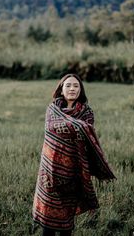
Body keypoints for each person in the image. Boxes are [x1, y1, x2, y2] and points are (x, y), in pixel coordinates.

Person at [32, 74, 116, 236]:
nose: (72, 89)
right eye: (68, 85)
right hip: (49, 171)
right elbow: (53, 130)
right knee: (48, 220)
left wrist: (72, 126)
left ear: (80, 90)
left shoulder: (86, 112)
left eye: (76, 86)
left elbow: (86, 134)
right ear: (61, 89)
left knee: (67, 219)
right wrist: (76, 126)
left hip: (74, 170)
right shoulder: (52, 109)